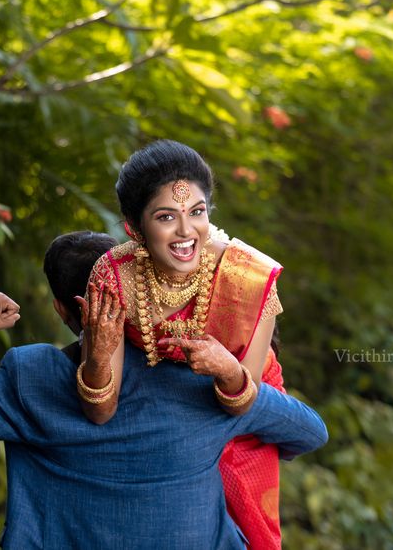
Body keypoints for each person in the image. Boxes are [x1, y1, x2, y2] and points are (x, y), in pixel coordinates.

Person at [0, 231, 328, 549]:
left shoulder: (31, 379)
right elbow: (310, 433)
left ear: (62, 310)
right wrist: (235, 378)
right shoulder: (200, 376)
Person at [78, 140, 289, 549]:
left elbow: (246, 399)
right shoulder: (113, 276)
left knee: (248, 526)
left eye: (197, 213)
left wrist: (226, 367)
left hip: (241, 403)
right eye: (165, 217)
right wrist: (99, 356)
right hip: (165, 403)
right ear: (134, 228)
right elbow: (100, 412)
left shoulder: (248, 276)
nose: (185, 231)